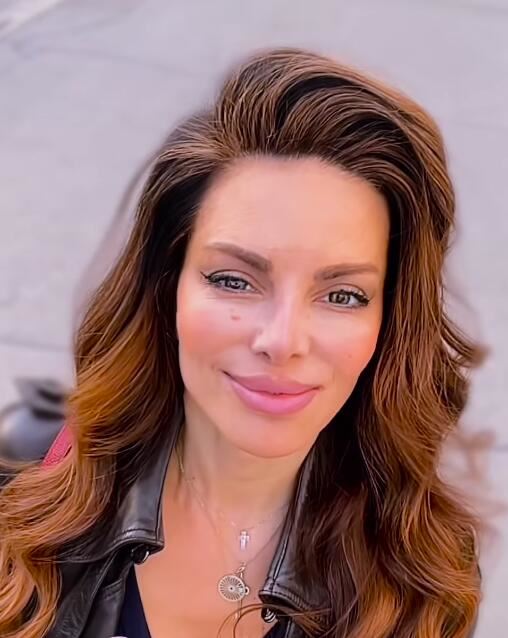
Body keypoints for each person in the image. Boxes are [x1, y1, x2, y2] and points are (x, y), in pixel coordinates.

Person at [0, 47, 482, 638]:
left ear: (390, 321)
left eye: (343, 294)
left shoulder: (426, 574)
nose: (282, 341)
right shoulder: (21, 506)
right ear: (167, 287)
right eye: (234, 280)